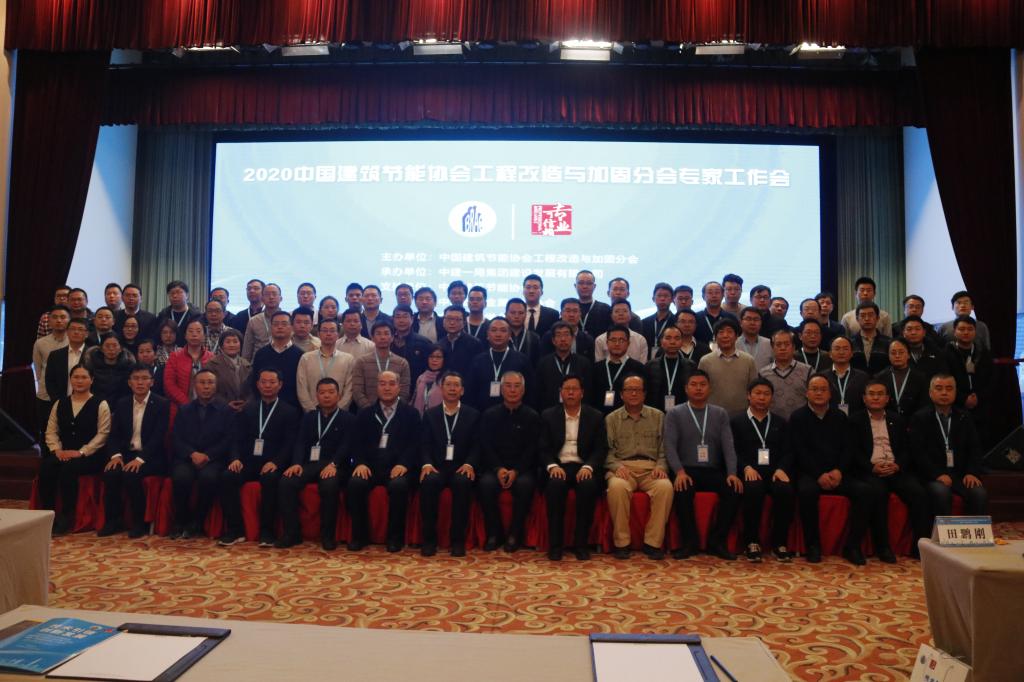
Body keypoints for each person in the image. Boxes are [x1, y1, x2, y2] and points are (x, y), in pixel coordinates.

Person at [790, 374, 878, 565]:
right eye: (814, 389)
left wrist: (839, 471)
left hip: (838, 473)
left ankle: (852, 546)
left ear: (830, 394)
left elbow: (848, 448)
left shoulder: (840, 417)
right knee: (806, 492)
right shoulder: (797, 417)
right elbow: (799, 451)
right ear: (807, 393)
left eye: (823, 389)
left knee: (866, 492)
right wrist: (818, 474)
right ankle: (812, 545)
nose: (819, 393)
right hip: (810, 473)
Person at [665, 370, 742, 560]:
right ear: (686, 388)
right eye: (693, 384)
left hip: (712, 470)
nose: (698, 388)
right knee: (682, 490)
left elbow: (728, 446)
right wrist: (679, 472)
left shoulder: (720, 413)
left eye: (702, 384)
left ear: (710, 388)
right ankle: (689, 543)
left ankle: (717, 541)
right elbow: (669, 446)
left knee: (733, 489)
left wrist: (732, 473)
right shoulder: (674, 413)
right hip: (686, 470)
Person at [848, 380, 928, 561]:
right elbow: (853, 451)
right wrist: (871, 467)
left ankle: (920, 546)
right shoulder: (855, 420)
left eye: (880, 394)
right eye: (871, 394)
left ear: (887, 398)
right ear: (864, 398)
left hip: (895, 469)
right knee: (878, 492)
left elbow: (907, 449)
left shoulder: (897, 420)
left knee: (919, 493)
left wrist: (898, 465)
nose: (876, 397)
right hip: (870, 470)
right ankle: (882, 547)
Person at [219, 368, 300, 546]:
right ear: (257, 385)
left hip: (273, 463)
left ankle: (267, 531)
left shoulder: (289, 411)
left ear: (280, 385)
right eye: (264, 382)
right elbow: (236, 438)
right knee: (227, 477)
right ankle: (235, 530)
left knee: (270, 479)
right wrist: (235, 458)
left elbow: (290, 443)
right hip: (248, 462)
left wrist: (276, 462)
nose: (267, 386)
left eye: (272, 382)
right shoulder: (247, 409)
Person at [346, 371, 419, 552]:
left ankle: (395, 538)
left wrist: (404, 464)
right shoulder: (365, 414)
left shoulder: (411, 414)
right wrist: (360, 463)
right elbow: (356, 443)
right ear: (376, 387)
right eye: (382, 383)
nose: (387, 388)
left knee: (399, 486)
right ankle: (359, 536)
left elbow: (415, 443)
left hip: (398, 468)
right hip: (370, 467)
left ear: (399, 387)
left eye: (391, 384)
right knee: (355, 483)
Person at [278, 378, 354, 550]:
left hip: (335, 465)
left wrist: (334, 463)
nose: (326, 396)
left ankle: (327, 536)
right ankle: (292, 533)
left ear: (339, 395)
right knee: (286, 482)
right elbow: (300, 442)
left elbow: (347, 445)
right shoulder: (309, 417)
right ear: (316, 396)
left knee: (329, 485)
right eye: (322, 392)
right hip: (310, 464)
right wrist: (296, 463)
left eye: (331, 392)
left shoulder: (348, 418)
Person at [604, 374, 672, 559]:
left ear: (644, 394)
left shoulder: (658, 416)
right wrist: (616, 466)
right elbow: (607, 451)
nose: (633, 393)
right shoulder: (611, 419)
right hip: (623, 467)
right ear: (621, 394)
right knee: (617, 487)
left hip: (651, 468)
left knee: (665, 487)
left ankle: (653, 543)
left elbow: (665, 448)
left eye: (637, 390)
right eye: (629, 390)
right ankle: (622, 543)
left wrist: (661, 466)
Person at [98, 365, 170, 538]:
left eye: (144, 378)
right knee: (111, 473)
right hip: (126, 454)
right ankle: (113, 520)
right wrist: (116, 456)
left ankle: (139, 522)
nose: (140, 382)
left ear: (152, 382)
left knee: (131, 474)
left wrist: (140, 459)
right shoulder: (122, 403)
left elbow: (158, 437)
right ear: (129, 383)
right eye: (136, 379)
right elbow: (114, 435)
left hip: (151, 456)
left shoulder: (162, 404)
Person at [540, 374, 606, 561]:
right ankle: (555, 546)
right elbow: (543, 448)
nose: (570, 392)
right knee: (555, 486)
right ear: (560, 392)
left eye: (574, 389)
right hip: (559, 466)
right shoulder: (548, 415)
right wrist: (552, 466)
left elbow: (600, 449)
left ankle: (581, 545)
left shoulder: (595, 416)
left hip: (583, 466)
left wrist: (589, 467)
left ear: (582, 393)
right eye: (566, 389)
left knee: (588, 486)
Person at [39, 364, 111, 535]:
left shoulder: (100, 404)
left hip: (90, 456)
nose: (79, 381)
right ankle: (48, 515)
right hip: (63, 452)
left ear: (92, 380)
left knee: (68, 470)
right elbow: (51, 430)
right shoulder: (60, 403)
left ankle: (66, 517)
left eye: (84, 377)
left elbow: (103, 434)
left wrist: (81, 452)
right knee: (47, 467)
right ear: (70, 380)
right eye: (76, 377)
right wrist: (56, 450)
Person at [731, 378, 795, 562]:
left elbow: (789, 450)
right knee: (753, 489)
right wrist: (745, 468)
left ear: (771, 398)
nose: (761, 398)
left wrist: (782, 468)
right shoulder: (736, 422)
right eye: (757, 393)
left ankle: (779, 543)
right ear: (748, 396)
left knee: (785, 490)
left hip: (775, 472)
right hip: (750, 472)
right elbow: (732, 451)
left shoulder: (780, 422)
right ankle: (751, 542)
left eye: (766, 394)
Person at [909, 374, 988, 520]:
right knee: (941, 493)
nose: (944, 393)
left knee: (979, 493)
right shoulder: (920, 418)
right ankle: (942, 534)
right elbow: (917, 453)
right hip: (931, 476)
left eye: (949, 389)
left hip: (960, 474)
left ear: (955, 393)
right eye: (939, 388)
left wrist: (971, 472)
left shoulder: (964, 417)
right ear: (930, 393)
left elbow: (975, 448)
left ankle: (973, 534)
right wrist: (937, 474)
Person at [418, 371, 480, 557]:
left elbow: (477, 445)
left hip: (460, 466)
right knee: (428, 481)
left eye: (456, 385)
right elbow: (424, 444)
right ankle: (429, 540)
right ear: (441, 388)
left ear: (462, 390)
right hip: (436, 466)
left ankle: (457, 541)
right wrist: (426, 464)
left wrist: (469, 464)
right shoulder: (430, 414)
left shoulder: (473, 414)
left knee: (463, 482)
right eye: (448, 385)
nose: (452, 389)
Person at [477, 371, 539, 552]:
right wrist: (498, 468)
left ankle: (514, 534)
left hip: (522, 469)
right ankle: (494, 533)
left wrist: (516, 470)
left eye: (517, 386)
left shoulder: (532, 416)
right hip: (495, 467)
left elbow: (532, 449)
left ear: (523, 390)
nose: (512, 390)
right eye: (508, 386)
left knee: (525, 485)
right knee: (486, 484)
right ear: (501, 389)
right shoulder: (489, 414)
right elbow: (485, 445)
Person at [169, 369, 232, 538]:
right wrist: (192, 454)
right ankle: (180, 520)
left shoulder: (225, 410)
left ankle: (197, 521)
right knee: (181, 477)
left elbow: (228, 439)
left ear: (216, 386)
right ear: (194, 386)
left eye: (210, 383)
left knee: (208, 478)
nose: (206, 386)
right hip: (187, 457)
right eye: (202, 383)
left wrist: (208, 455)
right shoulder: (184, 409)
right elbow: (176, 438)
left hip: (213, 459)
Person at [465, 317, 533, 410]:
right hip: (482, 413)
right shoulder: (478, 360)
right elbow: (470, 391)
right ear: (487, 334)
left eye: (503, 330)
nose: (498, 334)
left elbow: (529, 391)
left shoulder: (522, 360)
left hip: (513, 412)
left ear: (510, 335)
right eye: (494, 330)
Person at [697, 318, 759, 417]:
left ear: (736, 336)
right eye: (721, 332)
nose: (725, 335)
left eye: (729, 332)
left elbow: (754, 389)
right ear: (715, 337)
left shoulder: (748, 360)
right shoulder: (705, 361)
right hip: (713, 414)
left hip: (742, 415)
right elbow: (700, 389)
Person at [296, 318, 355, 413]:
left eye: (332, 331)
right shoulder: (306, 358)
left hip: (339, 413)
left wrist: (338, 411)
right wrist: (311, 411)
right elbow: (301, 388)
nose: (328, 334)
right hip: (312, 412)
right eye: (324, 330)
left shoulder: (348, 359)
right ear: (318, 334)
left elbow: (349, 390)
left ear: (338, 335)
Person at [943, 316, 993, 426]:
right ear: (954, 332)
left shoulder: (983, 353)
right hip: (955, 405)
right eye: (961, 329)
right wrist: (963, 398)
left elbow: (991, 379)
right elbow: (944, 380)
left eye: (970, 329)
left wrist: (978, 396)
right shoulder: (946, 354)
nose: (966, 332)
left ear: (975, 332)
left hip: (981, 404)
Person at [251, 310, 304, 409]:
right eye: (276, 324)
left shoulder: (300, 355)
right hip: (264, 407)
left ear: (292, 327)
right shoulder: (261, 354)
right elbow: (255, 382)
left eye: (284, 324)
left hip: (293, 408)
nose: (280, 327)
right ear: (270, 327)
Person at [352, 321, 411, 409]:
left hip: (395, 412)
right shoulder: (361, 362)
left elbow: (404, 392)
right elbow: (357, 391)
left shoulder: (402, 363)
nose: (383, 337)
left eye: (386, 333)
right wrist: (370, 411)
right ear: (372, 338)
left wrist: (393, 409)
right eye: (378, 334)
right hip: (367, 413)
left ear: (392, 338)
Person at [536, 321, 593, 411]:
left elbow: (588, 392)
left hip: (577, 411)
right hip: (549, 412)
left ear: (572, 338)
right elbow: (539, 393)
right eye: (558, 335)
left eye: (566, 335)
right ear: (553, 340)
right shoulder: (543, 363)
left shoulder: (584, 363)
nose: (563, 339)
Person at [33, 305, 70, 441]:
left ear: (69, 320)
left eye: (63, 317)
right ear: (49, 321)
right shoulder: (40, 343)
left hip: (69, 393)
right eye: (55, 317)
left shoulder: (74, 341)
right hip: (45, 395)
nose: (59, 320)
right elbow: (38, 369)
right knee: (46, 432)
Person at [590, 325, 645, 415]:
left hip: (627, 417)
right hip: (599, 417)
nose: (617, 344)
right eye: (613, 340)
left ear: (628, 343)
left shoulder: (638, 368)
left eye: (621, 340)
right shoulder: (595, 368)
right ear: (607, 343)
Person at [758, 330, 813, 419]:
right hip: (772, 423)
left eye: (787, 344)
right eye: (778, 345)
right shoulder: (763, 373)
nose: (782, 348)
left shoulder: (808, 371)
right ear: (772, 347)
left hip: (802, 422)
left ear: (793, 347)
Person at [163, 320, 214, 408]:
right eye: (190, 331)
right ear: (185, 335)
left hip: (208, 408)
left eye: (198, 331)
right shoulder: (175, 356)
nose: (194, 334)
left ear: (204, 336)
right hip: (181, 407)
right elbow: (169, 384)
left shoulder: (212, 357)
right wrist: (187, 404)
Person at [644, 325, 692, 412]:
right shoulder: (650, 366)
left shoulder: (690, 366)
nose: (672, 342)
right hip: (656, 412)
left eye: (677, 338)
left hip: (683, 412)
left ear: (682, 342)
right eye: (668, 338)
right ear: (661, 342)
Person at [876, 338, 928, 417]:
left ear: (908, 355)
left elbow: (924, 405)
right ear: (888, 356)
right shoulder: (879, 377)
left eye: (901, 352)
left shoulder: (920, 378)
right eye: (893, 353)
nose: (897, 356)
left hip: (914, 420)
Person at [204, 327, 251, 411]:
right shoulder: (212, 365)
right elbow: (208, 389)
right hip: (219, 410)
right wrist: (225, 404)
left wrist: (246, 403)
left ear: (240, 344)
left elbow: (252, 390)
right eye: (228, 342)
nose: (232, 345)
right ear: (221, 345)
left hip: (244, 410)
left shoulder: (247, 365)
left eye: (235, 341)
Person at [44, 318, 89, 402]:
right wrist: (58, 401)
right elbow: (50, 381)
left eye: (80, 329)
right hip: (61, 402)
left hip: (87, 402)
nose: (76, 332)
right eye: (73, 329)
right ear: (67, 332)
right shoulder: (55, 355)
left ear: (86, 334)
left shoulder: (93, 355)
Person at [83, 334, 134, 405]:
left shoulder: (128, 366)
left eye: (114, 345)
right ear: (101, 349)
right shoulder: (91, 365)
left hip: (120, 406)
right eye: (107, 346)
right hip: (96, 405)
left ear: (121, 348)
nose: (111, 349)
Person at [539, 297, 595, 361]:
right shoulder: (549, 337)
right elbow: (544, 362)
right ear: (561, 314)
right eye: (568, 311)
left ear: (580, 314)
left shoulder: (588, 339)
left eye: (575, 311)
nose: (571, 315)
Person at [823, 336, 868, 415]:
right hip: (828, 419)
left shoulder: (863, 377)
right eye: (837, 349)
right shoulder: (822, 377)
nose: (841, 352)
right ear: (830, 354)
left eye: (845, 349)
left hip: (856, 419)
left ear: (852, 353)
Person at [390, 304, 433, 384]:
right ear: (393, 319)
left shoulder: (423, 343)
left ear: (412, 319)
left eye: (405, 317)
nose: (401, 320)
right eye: (398, 317)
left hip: (415, 386)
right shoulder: (388, 342)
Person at [154, 280, 203, 346]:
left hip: (189, 349)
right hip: (168, 350)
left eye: (178, 292)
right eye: (171, 293)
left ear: (187, 295)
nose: (175, 296)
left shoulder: (196, 315)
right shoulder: (163, 315)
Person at [438, 306, 483, 377]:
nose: (452, 322)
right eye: (449, 319)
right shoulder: (439, 344)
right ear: (443, 322)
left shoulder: (474, 343)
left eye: (457, 319)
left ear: (464, 323)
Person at [242, 283, 283, 360]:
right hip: (259, 362)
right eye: (267, 294)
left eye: (274, 294)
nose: (271, 297)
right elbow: (247, 350)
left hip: (283, 360)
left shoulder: (289, 319)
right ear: (262, 298)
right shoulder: (254, 321)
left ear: (281, 298)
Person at [849, 302, 892, 375]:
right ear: (857, 319)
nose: (867, 319)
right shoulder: (850, 342)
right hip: (856, 381)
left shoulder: (888, 342)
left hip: (881, 380)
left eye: (870, 315)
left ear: (877, 318)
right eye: (862, 316)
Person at [900, 316, 947, 380]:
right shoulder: (897, 352)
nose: (913, 332)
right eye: (909, 329)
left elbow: (943, 375)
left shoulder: (936, 351)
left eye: (917, 329)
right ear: (903, 333)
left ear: (924, 332)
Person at [641, 283, 677, 355]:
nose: (662, 299)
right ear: (653, 299)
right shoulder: (644, 322)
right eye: (659, 296)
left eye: (666, 296)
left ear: (672, 299)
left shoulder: (677, 322)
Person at [574, 269, 611, 338]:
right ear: (575, 286)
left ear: (594, 286)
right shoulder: (570, 309)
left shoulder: (605, 308)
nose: (585, 286)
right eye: (581, 283)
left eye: (589, 283)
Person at [505, 298, 542, 365]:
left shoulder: (534, 337)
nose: (516, 316)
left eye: (521, 313)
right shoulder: (501, 336)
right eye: (513, 313)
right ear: (506, 314)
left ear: (526, 314)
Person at [413, 345, 446, 415]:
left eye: (438, 357)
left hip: (439, 418)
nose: (434, 360)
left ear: (444, 359)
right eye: (431, 356)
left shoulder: (447, 380)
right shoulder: (421, 378)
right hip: (418, 418)